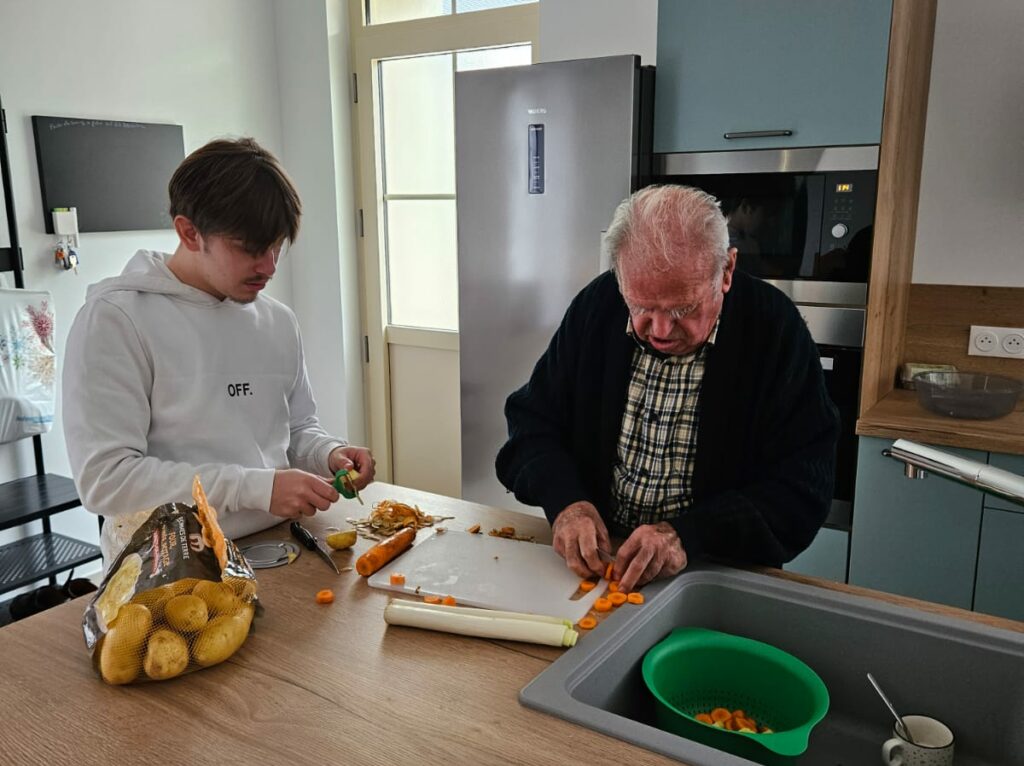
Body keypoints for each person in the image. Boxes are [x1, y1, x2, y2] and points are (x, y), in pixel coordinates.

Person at [496, 185, 839, 592]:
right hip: (601, 570)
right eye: (641, 306)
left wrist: (687, 535)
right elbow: (531, 424)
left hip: (719, 575)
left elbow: (802, 489)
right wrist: (567, 503)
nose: (659, 330)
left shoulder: (774, 330)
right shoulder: (598, 306)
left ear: (726, 272)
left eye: (683, 309)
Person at [63, 137, 374, 562]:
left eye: (277, 245)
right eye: (249, 248)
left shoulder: (277, 320)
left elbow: (296, 429)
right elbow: (107, 481)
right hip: (168, 565)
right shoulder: (116, 319)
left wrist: (327, 455)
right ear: (189, 232)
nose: (269, 266)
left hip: (284, 545)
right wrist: (256, 488)